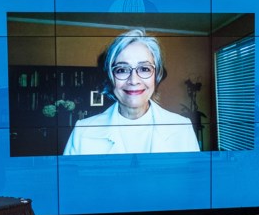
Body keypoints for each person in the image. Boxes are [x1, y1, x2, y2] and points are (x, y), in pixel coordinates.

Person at [63, 29, 200, 155]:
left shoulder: (182, 128)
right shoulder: (83, 131)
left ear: (156, 75)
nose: (134, 80)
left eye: (144, 69)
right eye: (122, 70)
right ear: (110, 77)